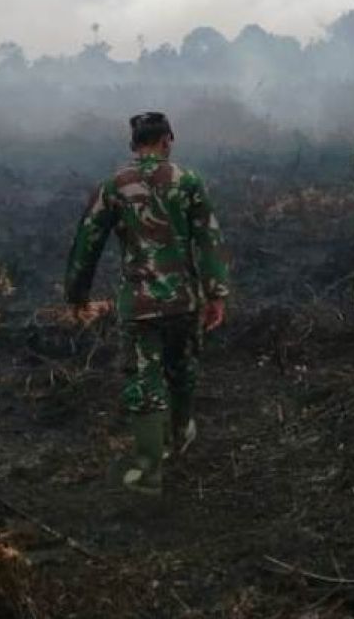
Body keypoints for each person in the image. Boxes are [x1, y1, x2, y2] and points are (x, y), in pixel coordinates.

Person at [65, 112, 229, 496]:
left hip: (139, 306)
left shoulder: (114, 186)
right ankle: (180, 432)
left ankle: (149, 471)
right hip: (184, 301)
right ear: (168, 139)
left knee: (145, 380)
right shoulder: (188, 182)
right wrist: (216, 293)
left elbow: (86, 243)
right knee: (182, 370)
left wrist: (77, 295)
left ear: (133, 143)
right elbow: (209, 240)